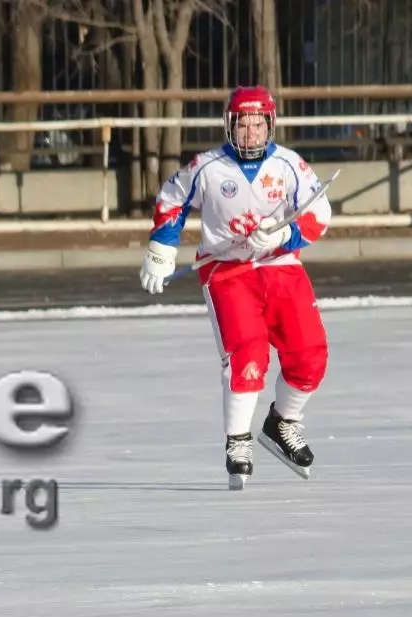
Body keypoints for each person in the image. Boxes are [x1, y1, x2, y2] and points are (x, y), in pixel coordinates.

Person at [138, 85, 331, 490]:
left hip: (281, 267)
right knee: (248, 353)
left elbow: (320, 213)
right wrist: (162, 246)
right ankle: (238, 440)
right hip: (228, 271)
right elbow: (172, 198)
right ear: (230, 125)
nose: (250, 133)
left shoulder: (289, 164)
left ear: (269, 125)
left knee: (310, 353)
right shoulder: (207, 167)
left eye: (257, 125)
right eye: (242, 124)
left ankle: (282, 422)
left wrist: (282, 237)